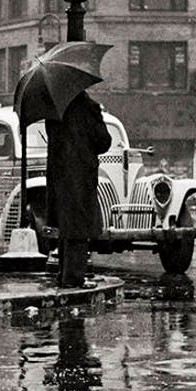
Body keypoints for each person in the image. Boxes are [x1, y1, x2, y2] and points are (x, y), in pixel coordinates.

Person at [45, 89, 111, 288]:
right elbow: (103, 142)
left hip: (59, 175)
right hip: (80, 174)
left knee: (66, 226)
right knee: (79, 228)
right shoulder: (88, 107)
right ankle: (73, 278)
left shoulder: (53, 109)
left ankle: (64, 275)